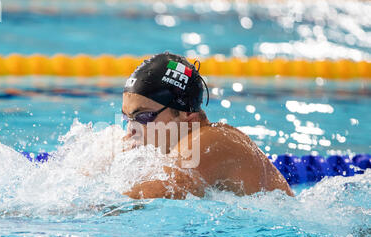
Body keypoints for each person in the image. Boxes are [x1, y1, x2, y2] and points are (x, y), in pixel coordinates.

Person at [121, 52, 294, 199]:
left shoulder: (210, 141)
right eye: (127, 118)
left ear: (187, 115)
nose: (131, 131)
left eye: (143, 116)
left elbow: (151, 194)